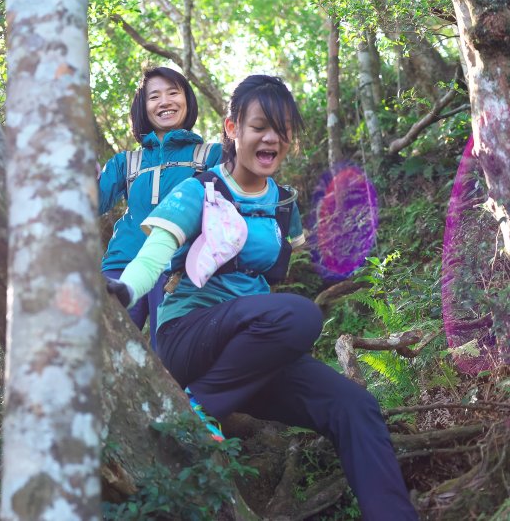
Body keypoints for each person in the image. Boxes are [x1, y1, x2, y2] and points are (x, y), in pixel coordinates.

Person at [107, 75, 418, 520]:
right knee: (300, 314)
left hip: (243, 356)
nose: (272, 137)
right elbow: (155, 252)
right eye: (259, 126)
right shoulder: (200, 188)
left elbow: (283, 259)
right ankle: (198, 409)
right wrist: (125, 288)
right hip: (189, 336)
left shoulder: (280, 203)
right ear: (232, 130)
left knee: (355, 405)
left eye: (282, 128)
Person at [99, 66, 221, 347]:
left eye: (173, 93)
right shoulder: (126, 162)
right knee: (101, 348)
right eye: (154, 96)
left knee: (170, 355)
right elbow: (89, 204)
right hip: (121, 264)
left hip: (178, 269)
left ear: (187, 100)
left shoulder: (211, 155)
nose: (165, 101)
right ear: (143, 107)